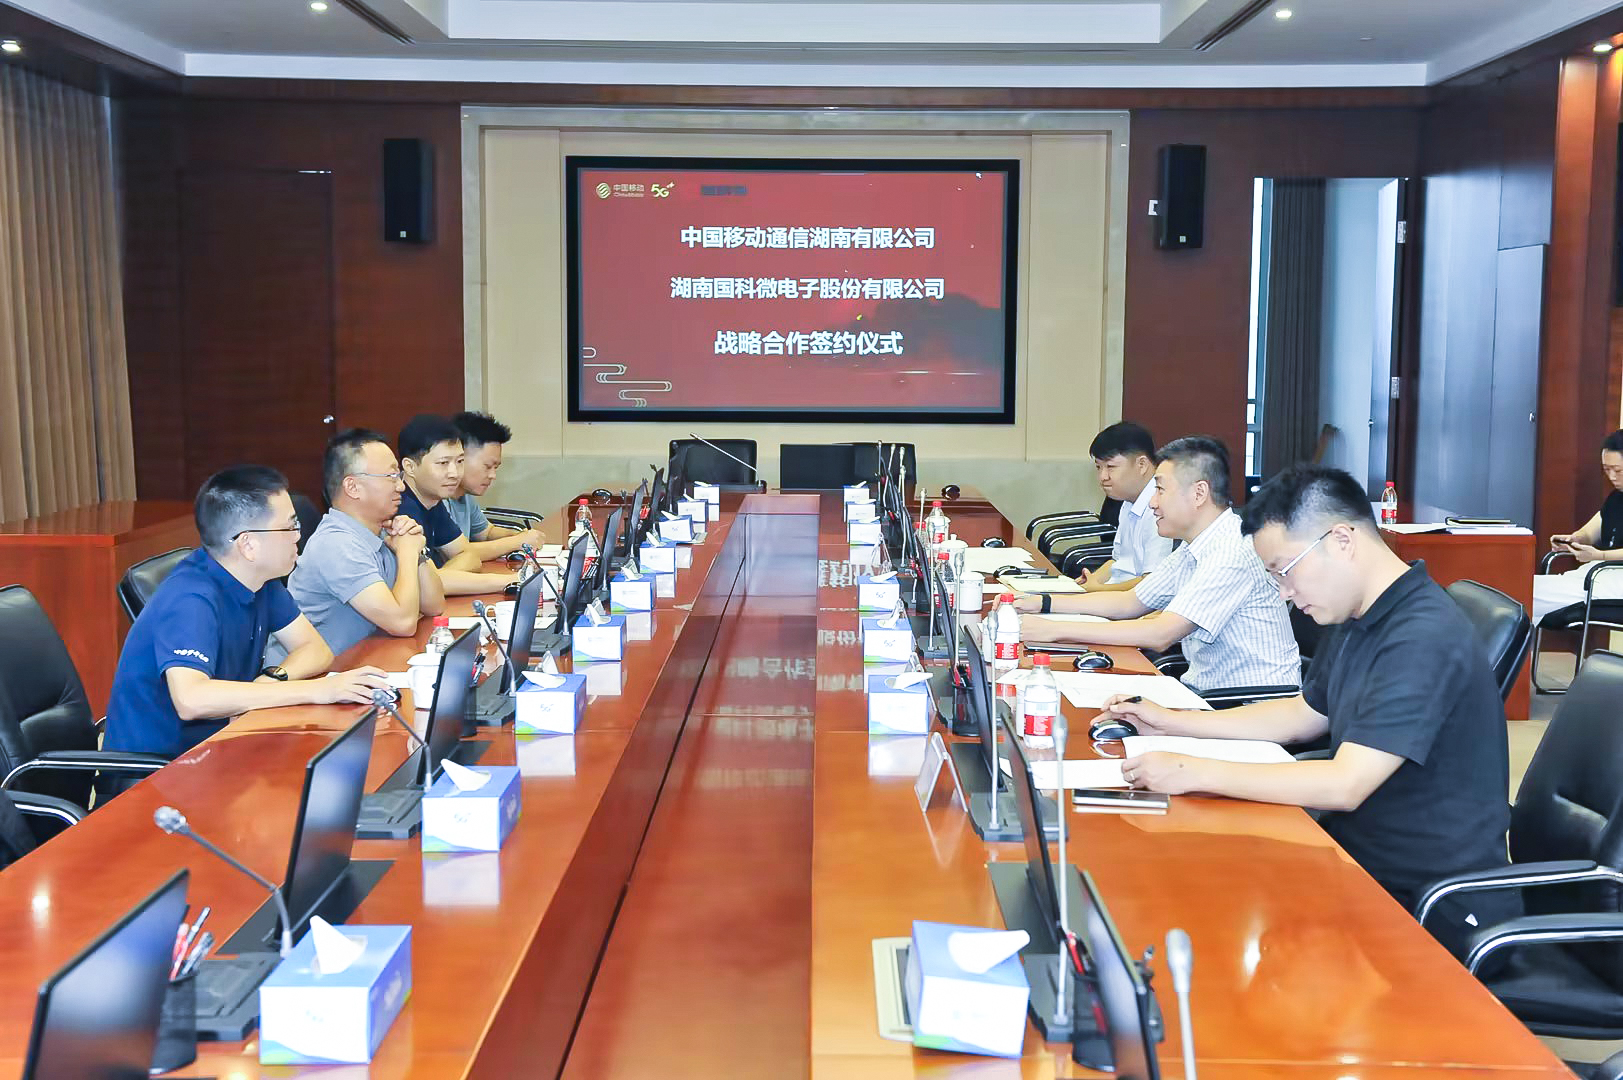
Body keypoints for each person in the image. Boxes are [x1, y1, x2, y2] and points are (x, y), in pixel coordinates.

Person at [1104, 464, 1515, 948]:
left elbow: (1345, 783)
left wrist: (1193, 770)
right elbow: (1301, 715)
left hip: (1426, 900)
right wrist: (1175, 723)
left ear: (1341, 540)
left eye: (1284, 569)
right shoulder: (1361, 612)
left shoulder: (1422, 636)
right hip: (1353, 855)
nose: (1284, 592)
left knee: (1206, 915)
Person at [104, 466, 391, 758]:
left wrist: (271, 680)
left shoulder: (260, 580)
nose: (298, 536)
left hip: (225, 741)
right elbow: (191, 699)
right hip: (162, 767)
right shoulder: (190, 598)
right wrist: (320, 690)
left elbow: (315, 650)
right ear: (248, 544)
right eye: (290, 527)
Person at [1014, 436, 1300, 692]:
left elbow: (1160, 634)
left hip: (1247, 705)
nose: (1152, 502)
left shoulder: (1230, 552)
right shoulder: (1194, 546)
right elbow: (1129, 602)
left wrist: (1054, 630)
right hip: (1207, 694)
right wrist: (1043, 602)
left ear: (1199, 493)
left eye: (1160, 489)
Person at [272, 429, 446, 662]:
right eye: (391, 476)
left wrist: (415, 549)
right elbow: (402, 623)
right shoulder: (336, 544)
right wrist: (406, 552)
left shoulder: (383, 530)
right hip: (314, 677)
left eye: (399, 476)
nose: (401, 486)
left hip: (362, 662)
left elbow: (435, 605)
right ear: (352, 487)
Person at [394, 414, 519, 595]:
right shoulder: (399, 507)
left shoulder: (432, 500)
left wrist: (440, 578)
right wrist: (511, 581)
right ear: (410, 467)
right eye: (443, 463)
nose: (454, 473)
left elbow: (469, 556)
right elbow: (422, 587)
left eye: (460, 462)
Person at [1532, 428, 1623, 620]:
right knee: (1530, 587)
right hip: (1600, 573)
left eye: (1618, 470)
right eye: (1607, 470)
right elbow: (1589, 533)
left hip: (1614, 579)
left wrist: (1600, 555)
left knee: (1531, 594)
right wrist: (1574, 540)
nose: (1612, 477)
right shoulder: (1616, 498)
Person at [1077, 421, 1175, 592]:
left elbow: (1153, 583)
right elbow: (1118, 562)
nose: (1103, 477)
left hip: (1136, 602)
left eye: (1110, 467)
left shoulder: (1159, 507)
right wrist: (1089, 583)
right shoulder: (1128, 501)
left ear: (1142, 465)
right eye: (1098, 467)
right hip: (1117, 595)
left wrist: (1097, 590)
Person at [448, 410, 544, 562]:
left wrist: (519, 535)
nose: (493, 475)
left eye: (496, 468)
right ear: (459, 457)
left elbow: (486, 532)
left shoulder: (464, 495)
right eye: (487, 466)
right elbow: (458, 552)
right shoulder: (437, 499)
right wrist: (517, 542)